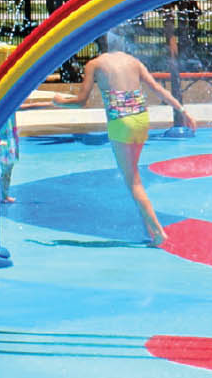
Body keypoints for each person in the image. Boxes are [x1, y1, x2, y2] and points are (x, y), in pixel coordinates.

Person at [61, 46, 187, 245]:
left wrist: (59, 101)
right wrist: (182, 110)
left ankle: (158, 231)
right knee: (134, 175)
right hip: (141, 119)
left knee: (133, 182)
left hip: (121, 122)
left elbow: (80, 101)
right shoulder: (132, 60)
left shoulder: (95, 64)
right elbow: (156, 88)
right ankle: (149, 229)